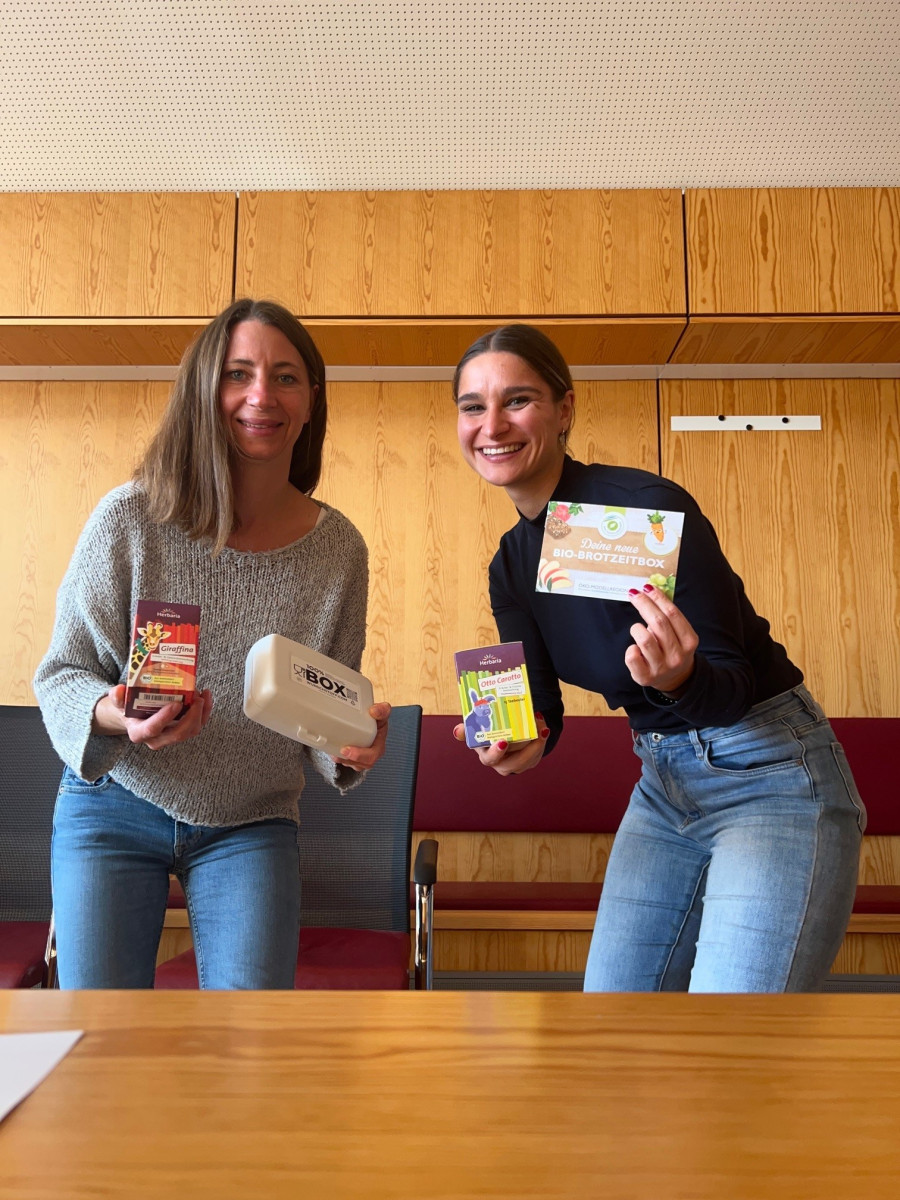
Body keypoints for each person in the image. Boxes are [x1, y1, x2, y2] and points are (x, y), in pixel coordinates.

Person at [452, 324, 865, 993]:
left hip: (769, 775)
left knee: (736, 1039)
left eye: (517, 400)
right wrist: (517, 738)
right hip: (664, 786)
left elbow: (728, 687)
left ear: (564, 410)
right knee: (613, 1030)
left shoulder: (643, 508)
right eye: (473, 406)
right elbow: (540, 709)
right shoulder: (511, 562)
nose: (492, 424)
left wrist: (680, 677)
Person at [34, 298, 390, 989]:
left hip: (252, 821)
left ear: (311, 400)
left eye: (287, 377)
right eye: (239, 374)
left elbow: (319, 700)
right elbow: (62, 673)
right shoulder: (130, 518)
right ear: (204, 390)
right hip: (113, 802)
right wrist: (118, 714)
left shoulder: (338, 550)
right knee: (99, 1045)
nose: (263, 396)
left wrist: (347, 742)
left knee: (250, 1050)